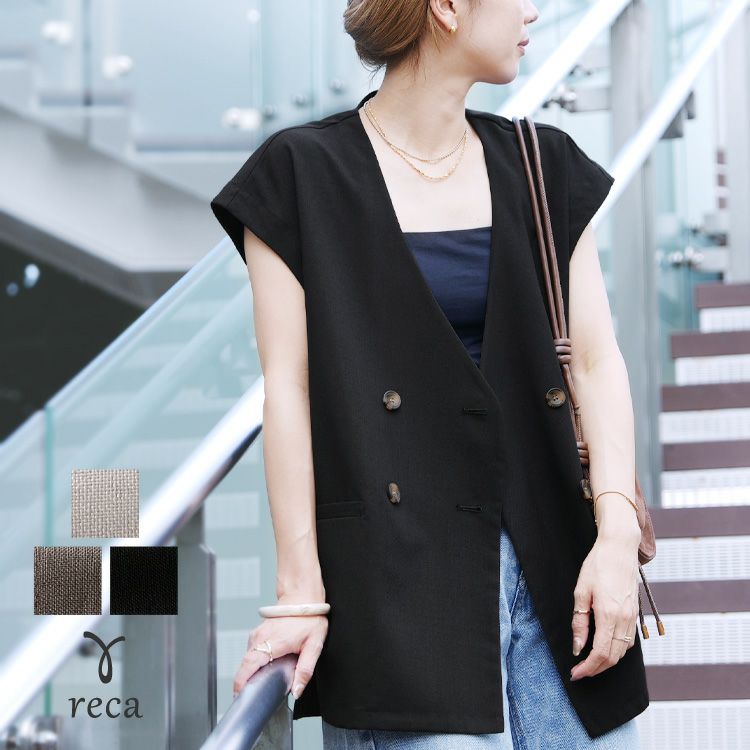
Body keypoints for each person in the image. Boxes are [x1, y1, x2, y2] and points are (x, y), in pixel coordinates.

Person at [210, 1, 648, 747]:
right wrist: (300, 590)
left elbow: (597, 363)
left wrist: (615, 538)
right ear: (445, 7)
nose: (532, 10)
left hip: (561, 564)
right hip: (402, 579)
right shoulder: (300, 176)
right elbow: (288, 390)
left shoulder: (543, 165)